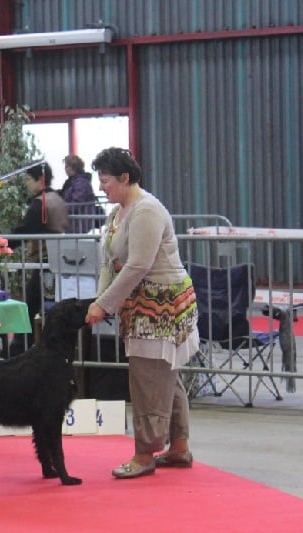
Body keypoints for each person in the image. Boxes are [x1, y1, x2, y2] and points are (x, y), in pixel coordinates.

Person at [84, 147, 199, 479]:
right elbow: (110, 261)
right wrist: (101, 299)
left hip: (161, 309)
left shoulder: (147, 210)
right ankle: (178, 448)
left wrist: (104, 304)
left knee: (148, 380)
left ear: (124, 178)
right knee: (167, 376)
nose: (101, 188)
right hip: (140, 307)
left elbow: (137, 265)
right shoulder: (117, 214)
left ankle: (144, 453)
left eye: (105, 182)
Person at [8, 162, 69, 355]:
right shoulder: (57, 198)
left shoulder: (40, 203)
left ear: (40, 180)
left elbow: (27, 229)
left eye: (28, 179)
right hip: (57, 260)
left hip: (44, 261)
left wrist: (0, 244)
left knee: (29, 307)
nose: (26, 184)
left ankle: (17, 351)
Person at [61, 154, 104, 233]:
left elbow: (76, 203)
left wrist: (61, 209)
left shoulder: (80, 183)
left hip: (80, 225)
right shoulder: (76, 181)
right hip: (78, 224)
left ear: (72, 167)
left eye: (66, 166)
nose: (65, 169)